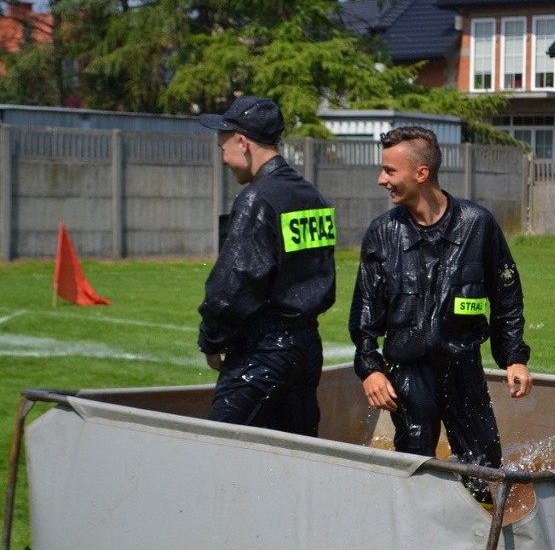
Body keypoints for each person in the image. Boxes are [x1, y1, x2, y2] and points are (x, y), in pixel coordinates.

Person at [349, 126, 532, 505]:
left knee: (484, 472)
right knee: (416, 467)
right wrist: (370, 368)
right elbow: (365, 310)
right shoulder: (382, 234)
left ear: (421, 173)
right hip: (408, 372)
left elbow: (507, 296)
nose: (381, 179)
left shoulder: (477, 226)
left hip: (463, 366)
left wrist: (513, 357)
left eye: (389, 170)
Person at [197, 96, 336, 436]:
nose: (224, 159)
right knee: (296, 454)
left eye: (223, 148)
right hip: (307, 347)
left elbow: (232, 285)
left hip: (263, 353)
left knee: (220, 450)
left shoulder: (256, 198)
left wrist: (212, 341)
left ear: (242, 142)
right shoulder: (312, 195)